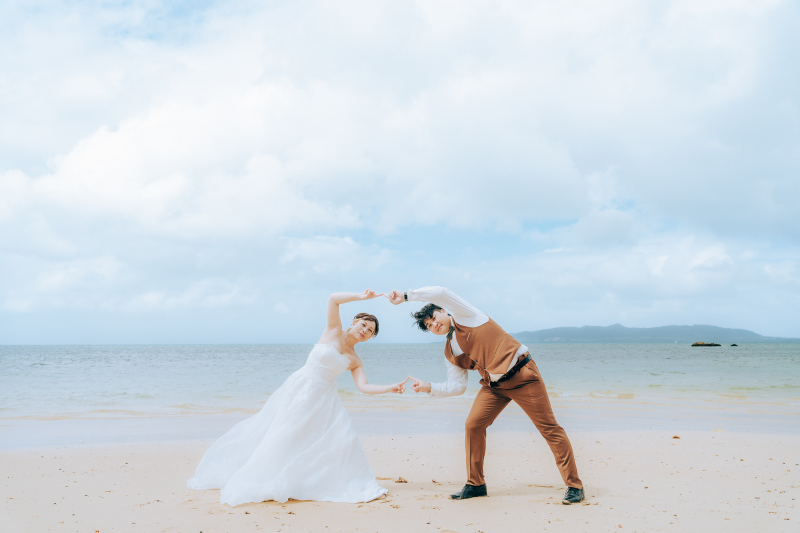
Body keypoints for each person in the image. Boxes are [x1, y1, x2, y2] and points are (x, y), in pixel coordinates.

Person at [187, 289, 409, 506]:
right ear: (354, 322)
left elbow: (364, 386)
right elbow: (333, 299)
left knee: (335, 440)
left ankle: (306, 479)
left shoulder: (355, 359)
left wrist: (390, 388)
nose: (365, 330)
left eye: (370, 330)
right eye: (363, 324)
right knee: (284, 431)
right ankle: (265, 474)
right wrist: (361, 296)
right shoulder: (333, 330)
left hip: (324, 399)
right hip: (301, 387)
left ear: (370, 338)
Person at [386, 286, 584, 504]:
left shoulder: (468, 316)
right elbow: (457, 386)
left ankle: (574, 486)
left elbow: (441, 292)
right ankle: (475, 484)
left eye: (434, 318)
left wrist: (405, 297)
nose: (434, 324)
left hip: (523, 376)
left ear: (444, 311)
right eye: (429, 326)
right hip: (494, 386)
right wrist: (429, 387)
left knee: (548, 427)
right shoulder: (449, 352)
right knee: (473, 425)